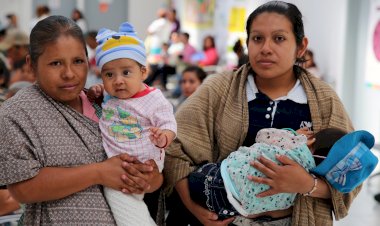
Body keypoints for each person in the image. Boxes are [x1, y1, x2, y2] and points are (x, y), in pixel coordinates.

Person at [164, 1, 358, 226]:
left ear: (301, 46)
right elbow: (174, 147)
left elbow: (351, 174)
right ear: (248, 43)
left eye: (279, 38)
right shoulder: (218, 89)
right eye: (257, 38)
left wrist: (307, 184)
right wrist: (194, 208)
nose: (266, 48)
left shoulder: (324, 100)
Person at [0, 15, 162, 225]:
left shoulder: (110, 104)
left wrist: (147, 179)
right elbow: (23, 189)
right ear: (31, 63)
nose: (69, 74)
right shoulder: (17, 113)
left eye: (78, 61)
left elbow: (157, 175)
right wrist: (98, 172)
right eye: (55, 63)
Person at [89, 22, 177, 226]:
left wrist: (163, 136)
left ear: (143, 73)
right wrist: (97, 90)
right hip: (119, 166)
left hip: (147, 161)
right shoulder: (109, 96)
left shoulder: (154, 99)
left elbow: (170, 124)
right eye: (109, 74)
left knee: (124, 201)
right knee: (123, 201)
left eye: (126, 73)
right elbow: (102, 92)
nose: (118, 81)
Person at [187, 128, 377, 219]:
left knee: (193, 179)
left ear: (311, 140)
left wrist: (292, 133)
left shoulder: (293, 143)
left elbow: (261, 135)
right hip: (231, 207)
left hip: (216, 177)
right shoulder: (301, 180)